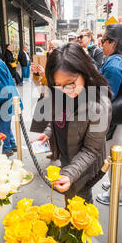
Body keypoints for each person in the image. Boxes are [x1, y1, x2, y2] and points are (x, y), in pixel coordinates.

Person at [36, 42, 112, 205]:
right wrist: (49, 131)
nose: (66, 90)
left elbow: (91, 150)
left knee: (80, 204)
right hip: (67, 156)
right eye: (58, 85)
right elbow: (58, 116)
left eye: (70, 83)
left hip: (86, 165)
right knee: (70, 199)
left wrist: (70, 173)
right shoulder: (61, 91)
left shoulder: (98, 104)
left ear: (84, 71)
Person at [96, 23, 122, 207]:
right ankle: (117, 185)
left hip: (116, 116)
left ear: (113, 43)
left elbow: (106, 95)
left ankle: (118, 194)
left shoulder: (114, 63)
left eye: (103, 41)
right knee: (120, 152)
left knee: (116, 155)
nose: (101, 45)